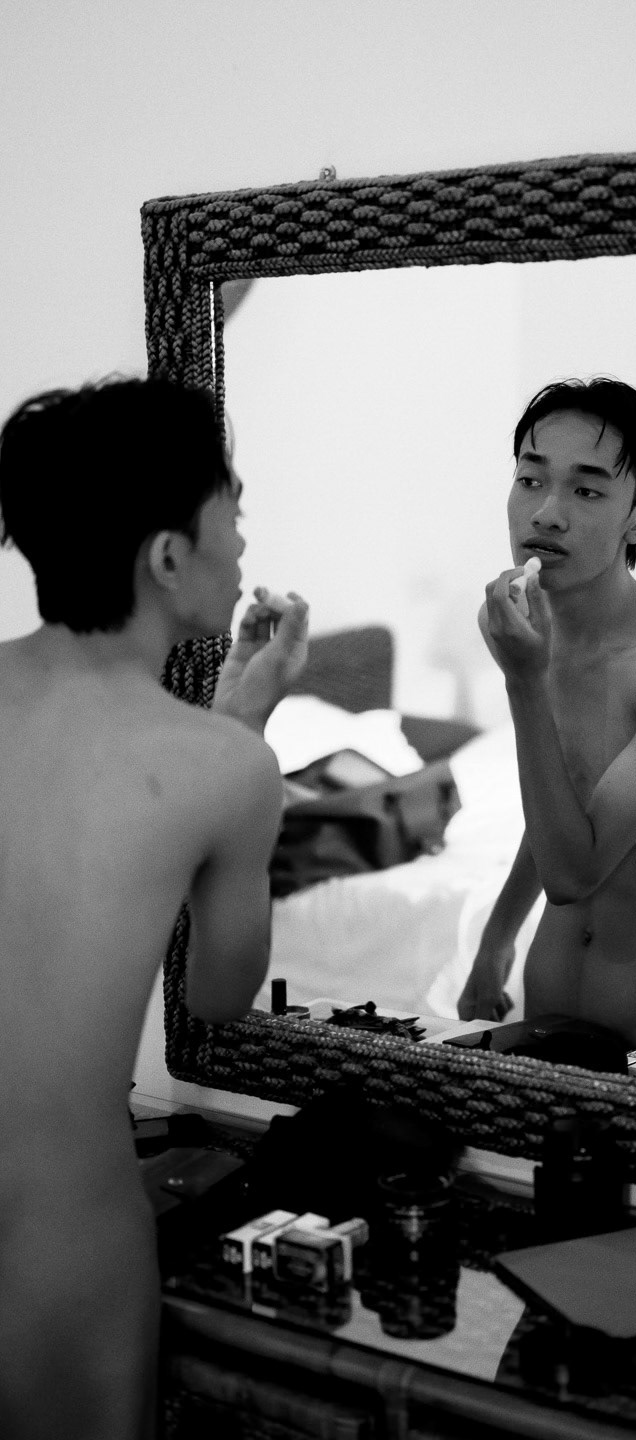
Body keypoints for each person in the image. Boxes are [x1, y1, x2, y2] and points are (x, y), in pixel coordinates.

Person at [0, 376, 308, 1440]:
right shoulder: (224, 768)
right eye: (233, 508)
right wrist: (243, 728)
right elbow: (219, 997)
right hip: (57, 1237)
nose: (244, 539)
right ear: (169, 557)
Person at [457, 378, 636, 1061]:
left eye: (586, 491)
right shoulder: (532, 632)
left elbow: (574, 873)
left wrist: (524, 682)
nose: (546, 513)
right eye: (530, 479)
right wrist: (497, 939)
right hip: (551, 1003)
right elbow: (564, 801)